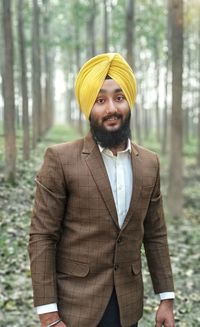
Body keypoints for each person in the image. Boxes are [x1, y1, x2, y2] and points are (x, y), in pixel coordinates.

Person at [28, 53, 175, 327]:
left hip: (129, 308)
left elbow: (155, 234)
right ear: (88, 107)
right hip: (76, 309)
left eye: (119, 98)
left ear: (129, 102)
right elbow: (42, 237)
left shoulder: (150, 163)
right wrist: (48, 315)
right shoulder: (60, 159)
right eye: (100, 100)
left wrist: (166, 298)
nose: (111, 109)